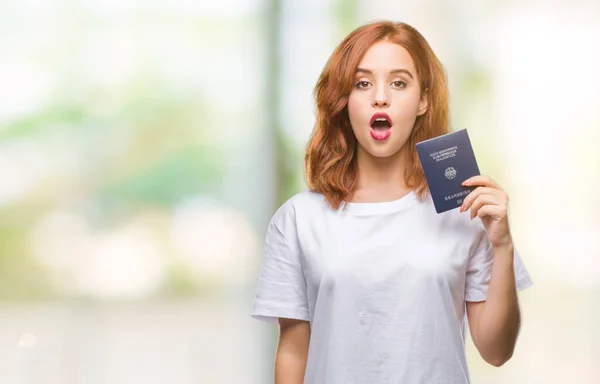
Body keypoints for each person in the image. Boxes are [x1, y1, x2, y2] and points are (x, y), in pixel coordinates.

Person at [251, 20, 532, 384]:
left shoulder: (465, 211)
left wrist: (503, 244)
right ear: (343, 100)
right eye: (362, 83)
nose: (380, 97)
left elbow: (496, 352)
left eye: (398, 83)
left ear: (423, 100)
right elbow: (292, 350)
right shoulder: (298, 219)